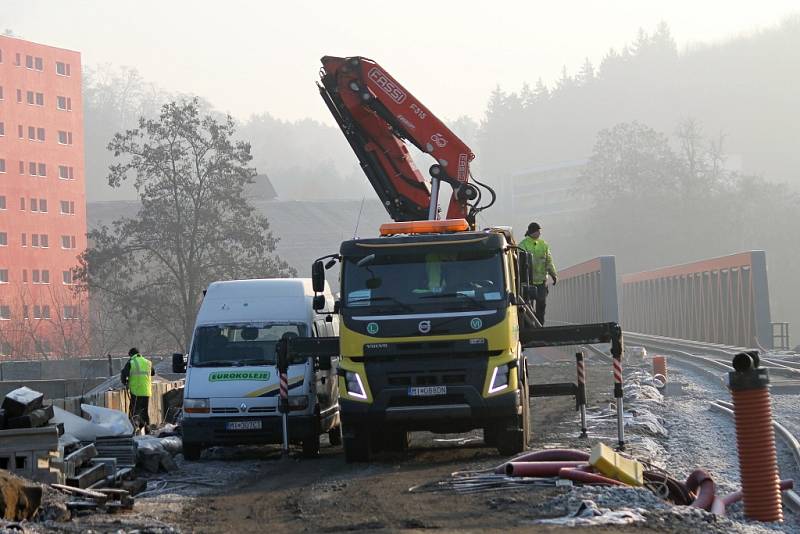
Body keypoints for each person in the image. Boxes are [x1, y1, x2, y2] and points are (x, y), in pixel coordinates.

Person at [518, 222, 558, 325]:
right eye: (538, 231)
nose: (539, 233)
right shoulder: (523, 245)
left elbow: (549, 261)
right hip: (528, 282)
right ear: (533, 232)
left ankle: (540, 325)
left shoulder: (544, 244)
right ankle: (529, 325)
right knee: (528, 306)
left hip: (541, 281)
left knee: (541, 304)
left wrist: (553, 275)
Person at [120, 348, 155, 431]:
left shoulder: (131, 362)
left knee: (133, 411)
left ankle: (132, 429)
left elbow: (124, 373)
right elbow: (153, 373)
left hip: (136, 391)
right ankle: (147, 430)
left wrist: (125, 382)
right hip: (146, 391)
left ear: (131, 354)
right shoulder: (147, 362)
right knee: (144, 411)